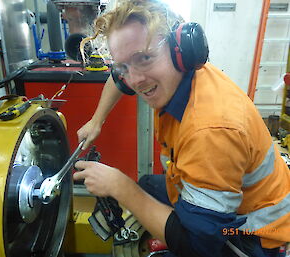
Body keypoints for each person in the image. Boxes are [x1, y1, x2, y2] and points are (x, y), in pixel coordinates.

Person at [73, 1, 290, 257]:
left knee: (145, 200)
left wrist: (121, 187)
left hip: (256, 234)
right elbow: (118, 76)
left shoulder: (210, 130)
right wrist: (96, 121)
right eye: (125, 66)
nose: (134, 80)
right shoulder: (181, 73)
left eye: (144, 58)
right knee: (147, 185)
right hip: (233, 195)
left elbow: (199, 247)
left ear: (181, 51)